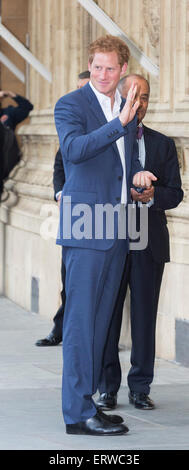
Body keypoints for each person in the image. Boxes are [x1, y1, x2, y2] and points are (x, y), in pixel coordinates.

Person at [54, 35, 156, 436]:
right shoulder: (72, 105)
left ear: (123, 71)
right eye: (96, 66)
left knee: (100, 324)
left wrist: (137, 182)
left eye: (110, 68)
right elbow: (75, 151)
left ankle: (90, 403)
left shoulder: (122, 106)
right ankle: (76, 415)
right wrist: (120, 125)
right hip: (85, 227)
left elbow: (118, 167)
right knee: (81, 325)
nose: (101, 74)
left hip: (117, 228)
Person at [96, 74, 184, 412]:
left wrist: (151, 195)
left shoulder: (162, 144)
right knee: (109, 316)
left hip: (149, 240)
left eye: (145, 96)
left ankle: (140, 388)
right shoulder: (106, 139)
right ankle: (107, 388)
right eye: (133, 95)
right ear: (119, 98)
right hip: (111, 236)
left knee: (145, 316)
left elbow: (175, 193)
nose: (140, 103)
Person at [35, 71, 91, 347]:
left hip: (105, 214)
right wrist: (59, 192)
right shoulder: (72, 126)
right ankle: (62, 328)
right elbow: (60, 165)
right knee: (69, 275)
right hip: (74, 212)